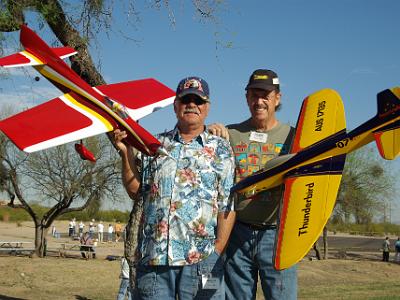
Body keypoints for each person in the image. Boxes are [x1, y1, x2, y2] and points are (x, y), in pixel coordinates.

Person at [113, 76, 235, 299]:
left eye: (198, 101)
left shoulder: (221, 148)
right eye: (185, 99)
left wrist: (218, 249)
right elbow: (135, 191)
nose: (191, 105)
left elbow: (228, 203)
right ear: (175, 105)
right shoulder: (154, 146)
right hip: (155, 260)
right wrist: (126, 153)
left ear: (207, 107)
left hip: (204, 261)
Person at [209, 69, 297, 299]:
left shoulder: (295, 137)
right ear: (247, 98)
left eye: (265, 95)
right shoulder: (230, 133)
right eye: (253, 95)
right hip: (238, 232)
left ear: (277, 98)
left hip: (277, 235)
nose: (259, 101)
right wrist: (211, 132)